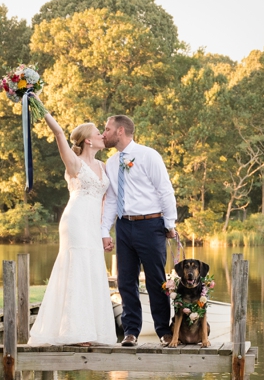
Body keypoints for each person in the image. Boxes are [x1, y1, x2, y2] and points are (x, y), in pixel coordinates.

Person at [28, 110, 119, 346]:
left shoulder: (103, 165)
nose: (102, 135)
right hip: (76, 220)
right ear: (88, 139)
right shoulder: (74, 162)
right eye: (98, 133)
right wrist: (37, 103)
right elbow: (58, 132)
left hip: (93, 223)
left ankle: (92, 331)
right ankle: (74, 332)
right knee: (77, 268)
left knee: (92, 269)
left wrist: (103, 232)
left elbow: (105, 201)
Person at [99, 114, 178, 346]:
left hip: (150, 224)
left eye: (107, 129)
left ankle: (164, 331)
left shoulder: (148, 155)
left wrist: (169, 223)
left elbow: (165, 190)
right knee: (125, 281)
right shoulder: (112, 163)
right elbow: (112, 199)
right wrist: (105, 230)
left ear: (120, 131)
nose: (104, 133)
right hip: (124, 226)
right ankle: (131, 331)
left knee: (156, 280)